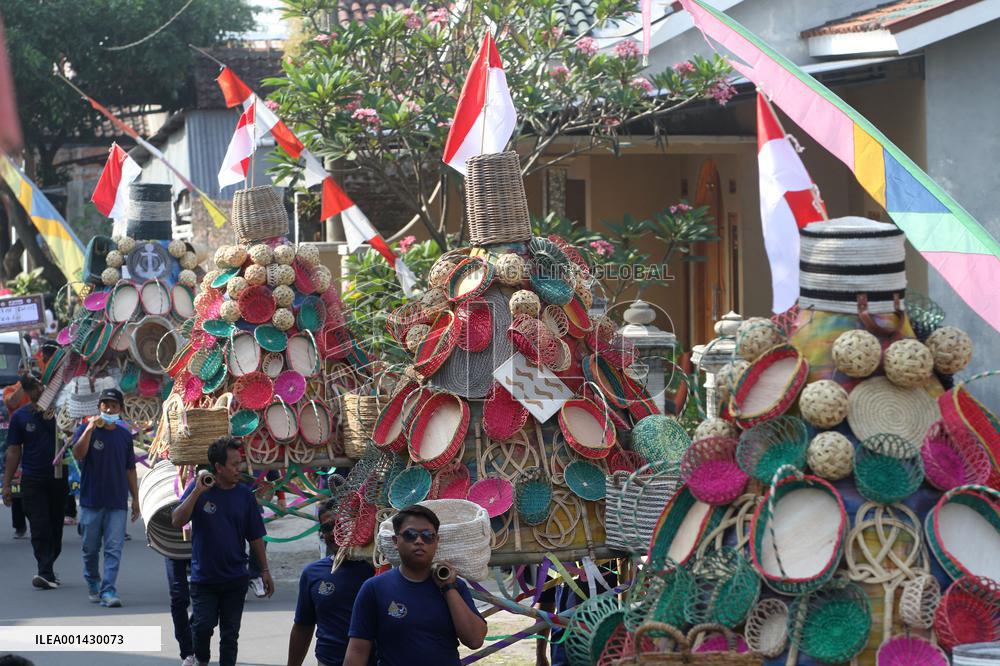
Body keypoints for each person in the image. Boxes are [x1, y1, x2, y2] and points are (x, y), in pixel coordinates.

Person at [171, 437, 274, 666]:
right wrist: (197, 491)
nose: (239, 469)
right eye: (234, 464)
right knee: (203, 626)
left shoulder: (245, 495)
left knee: (230, 635)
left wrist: (264, 570)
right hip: (204, 579)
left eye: (240, 463)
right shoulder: (199, 489)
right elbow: (177, 520)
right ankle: (202, 661)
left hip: (235, 578)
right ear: (218, 467)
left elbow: (256, 536)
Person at [343, 505, 487, 666]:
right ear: (396, 541)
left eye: (427, 536)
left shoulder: (455, 586)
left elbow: (475, 640)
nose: (419, 541)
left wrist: (448, 588)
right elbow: (357, 650)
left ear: (436, 541)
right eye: (410, 535)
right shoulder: (374, 588)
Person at [70, 388, 139, 607]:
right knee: (90, 548)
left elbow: (130, 469)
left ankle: (108, 590)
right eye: (105, 405)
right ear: (99, 407)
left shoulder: (124, 436)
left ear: (120, 409)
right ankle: (93, 582)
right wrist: (89, 429)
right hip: (91, 501)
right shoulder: (85, 429)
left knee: (113, 548)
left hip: (117, 502)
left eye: (113, 405)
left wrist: (135, 499)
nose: (109, 409)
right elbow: (78, 454)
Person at [287, 497, 375, 666]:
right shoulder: (313, 574)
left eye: (341, 524)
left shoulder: (377, 570)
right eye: (327, 527)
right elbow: (303, 626)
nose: (335, 532)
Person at [2, 373, 66, 589]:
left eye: (41, 386)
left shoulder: (61, 413)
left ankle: (49, 566)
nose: (38, 391)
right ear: (27, 392)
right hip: (32, 479)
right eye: (33, 388)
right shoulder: (20, 416)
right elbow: (13, 451)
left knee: (56, 527)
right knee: (39, 526)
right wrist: (7, 484)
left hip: (58, 477)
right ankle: (44, 571)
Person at [165, 556, 195, 666]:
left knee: (205, 593)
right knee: (178, 598)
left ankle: (193, 633)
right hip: (172, 547)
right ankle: (187, 651)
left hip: (201, 545)